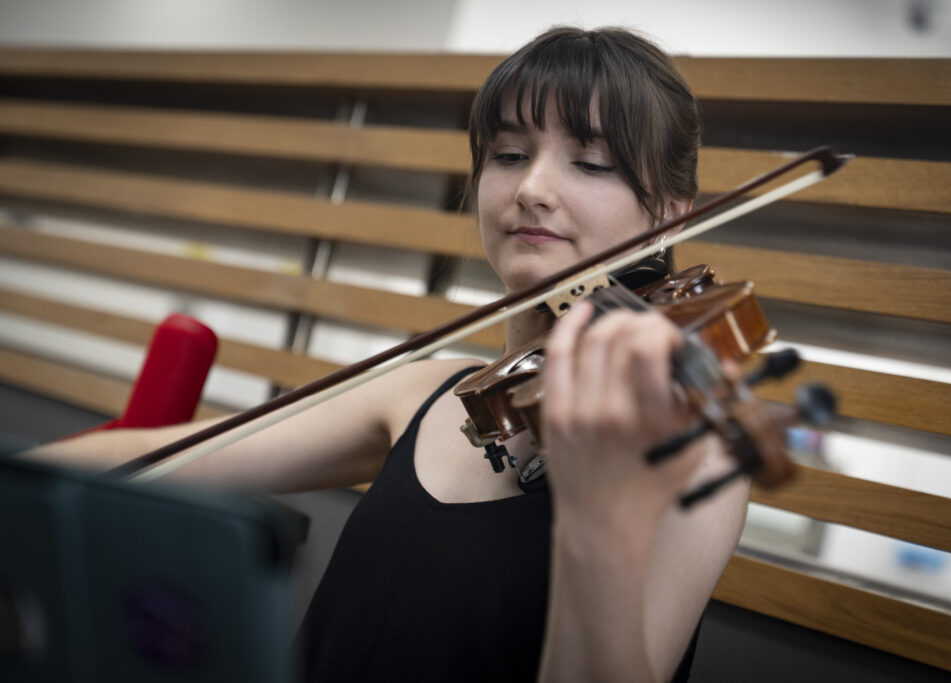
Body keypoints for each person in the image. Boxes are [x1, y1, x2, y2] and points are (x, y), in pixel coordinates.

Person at [28, 26, 749, 682]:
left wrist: (597, 517)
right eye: (508, 155)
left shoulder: (696, 447)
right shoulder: (425, 393)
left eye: (590, 162)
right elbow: (161, 457)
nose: (532, 188)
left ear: (670, 214)